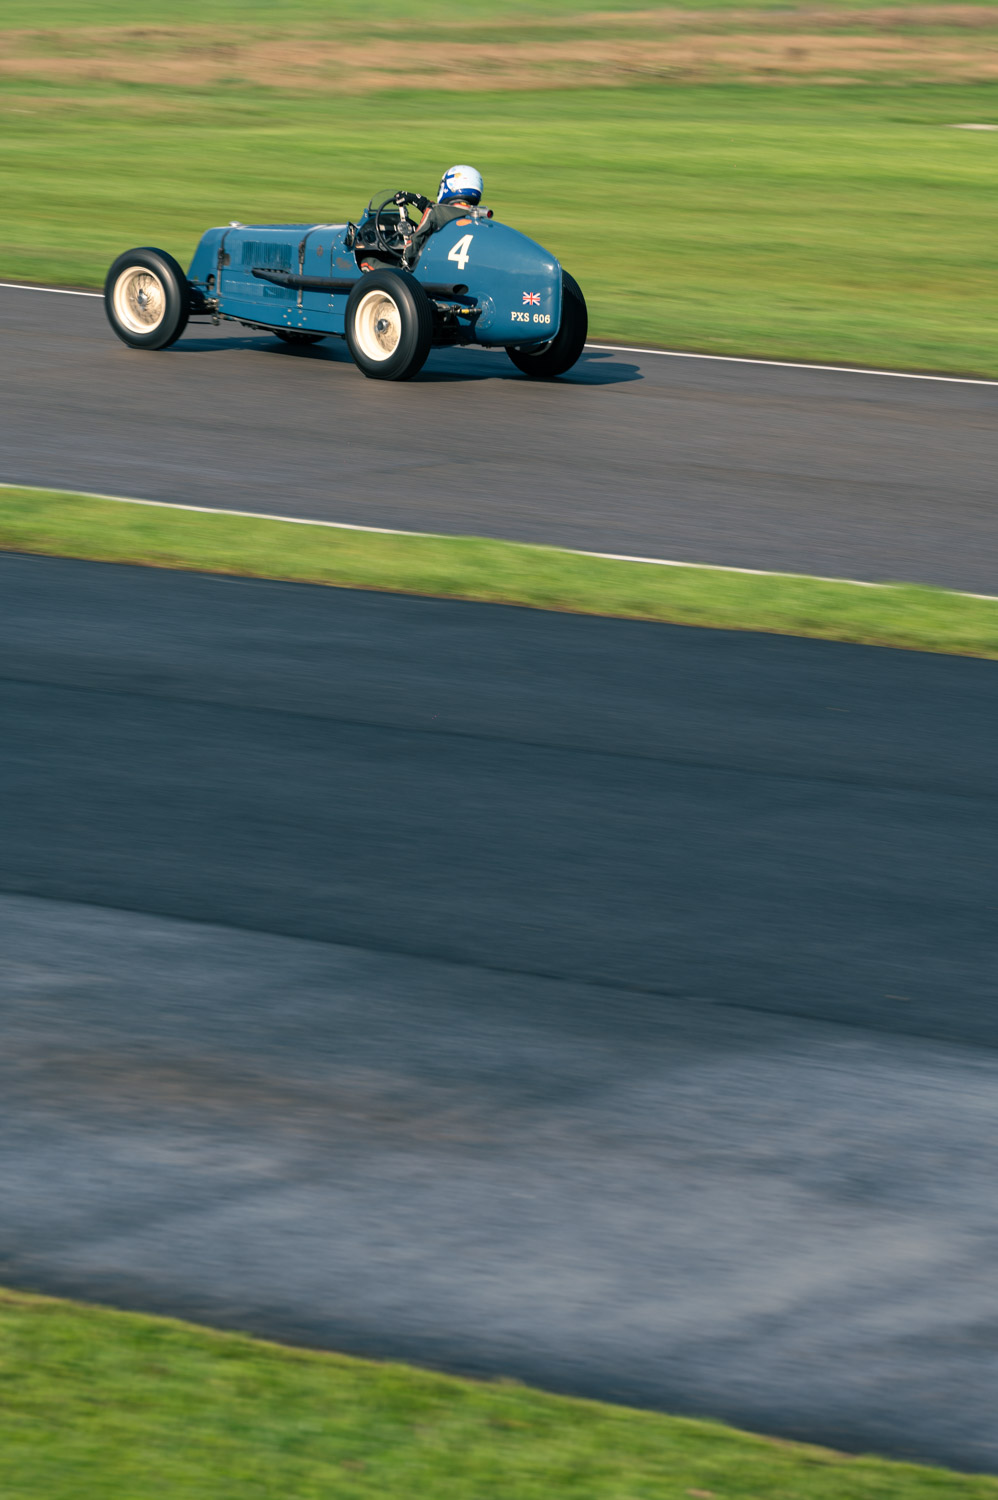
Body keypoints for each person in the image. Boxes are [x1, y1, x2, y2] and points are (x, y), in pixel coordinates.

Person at [396, 165, 486, 255]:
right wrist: (420, 201)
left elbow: (415, 242)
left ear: (451, 185)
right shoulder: (480, 218)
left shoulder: (436, 212)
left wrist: (405, 261)